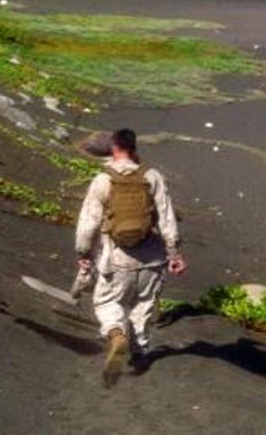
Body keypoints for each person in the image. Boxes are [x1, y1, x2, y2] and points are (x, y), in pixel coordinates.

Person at [75, 128, 185, 383]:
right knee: (143, 306)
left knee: (106, 302)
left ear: (113, 148)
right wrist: (174, 253)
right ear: (135, 148)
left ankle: (116, 332)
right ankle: (139, 353)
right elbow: (167, 220)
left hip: (117, 258)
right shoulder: (152, 176)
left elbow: (88, 224)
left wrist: (83, 253)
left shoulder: (103, 180)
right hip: (153, 257)